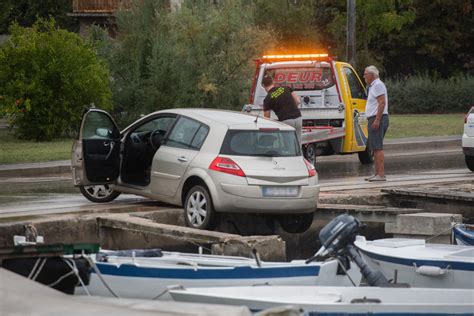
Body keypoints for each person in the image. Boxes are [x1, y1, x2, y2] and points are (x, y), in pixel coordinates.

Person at [363, 65, 389, 182]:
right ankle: (377, 173)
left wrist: (377, 120)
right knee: (374, 146)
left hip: (377, 118)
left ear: (372, 75)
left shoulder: (377, 85)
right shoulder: (373, 86)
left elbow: (382, 103)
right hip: (374, 118)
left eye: (366, 74)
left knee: (378, 147)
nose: (364, 76)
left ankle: (381, 174)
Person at [261, 75, 302, 145]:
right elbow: (298, 101)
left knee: (288, 145)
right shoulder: (286, 88)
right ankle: (299, 155)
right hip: (298, 118)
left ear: (263, 85)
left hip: (286, 121)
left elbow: (266, 118)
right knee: (297, 143)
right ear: (273, 82)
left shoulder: (268, 98)